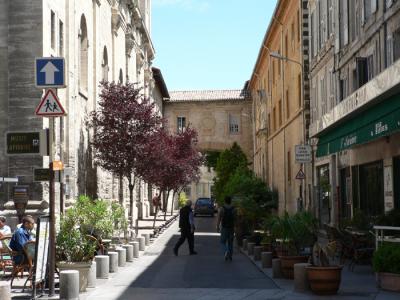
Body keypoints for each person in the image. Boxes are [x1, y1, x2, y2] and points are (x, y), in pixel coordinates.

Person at [216, 196, 235, 261]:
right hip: (232, 227)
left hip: (224, 227)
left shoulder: (222, 208)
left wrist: (217, 227)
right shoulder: (234, 209)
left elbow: (219, 219)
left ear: (225, 201)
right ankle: (230, 255)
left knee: (222, 241)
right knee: (230, 242)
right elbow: (236, 219)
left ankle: (226, 251)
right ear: (230, 201)